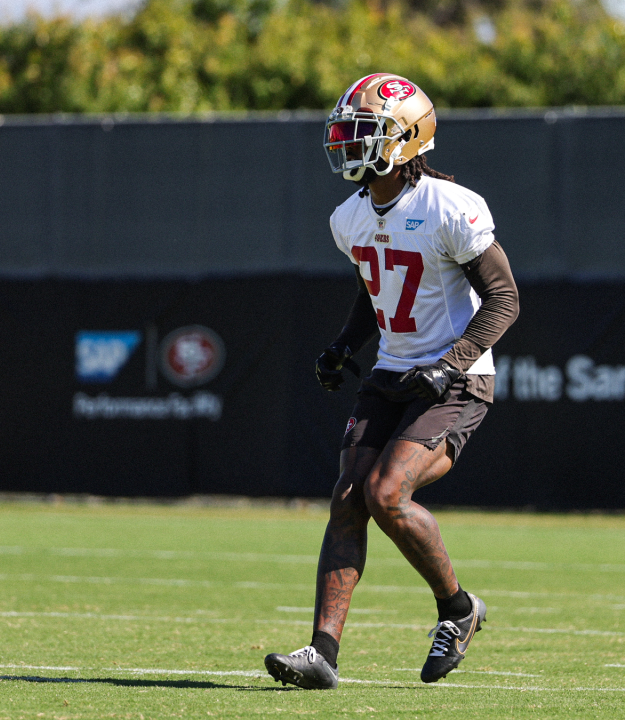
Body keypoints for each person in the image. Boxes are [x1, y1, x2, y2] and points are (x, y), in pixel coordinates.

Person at [262, 73, 519, 690]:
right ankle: (322, 654)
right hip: (392, 370)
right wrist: (344, 347)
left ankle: (458, 611)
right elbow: (373, 292)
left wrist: (453, 361)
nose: (349, 144)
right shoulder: (349, 217)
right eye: (347, 131)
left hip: (457, 380)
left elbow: (504, 299)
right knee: (349, 496)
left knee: (386, 493)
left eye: (364, 133)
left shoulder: (450, 207)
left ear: (407, 140)